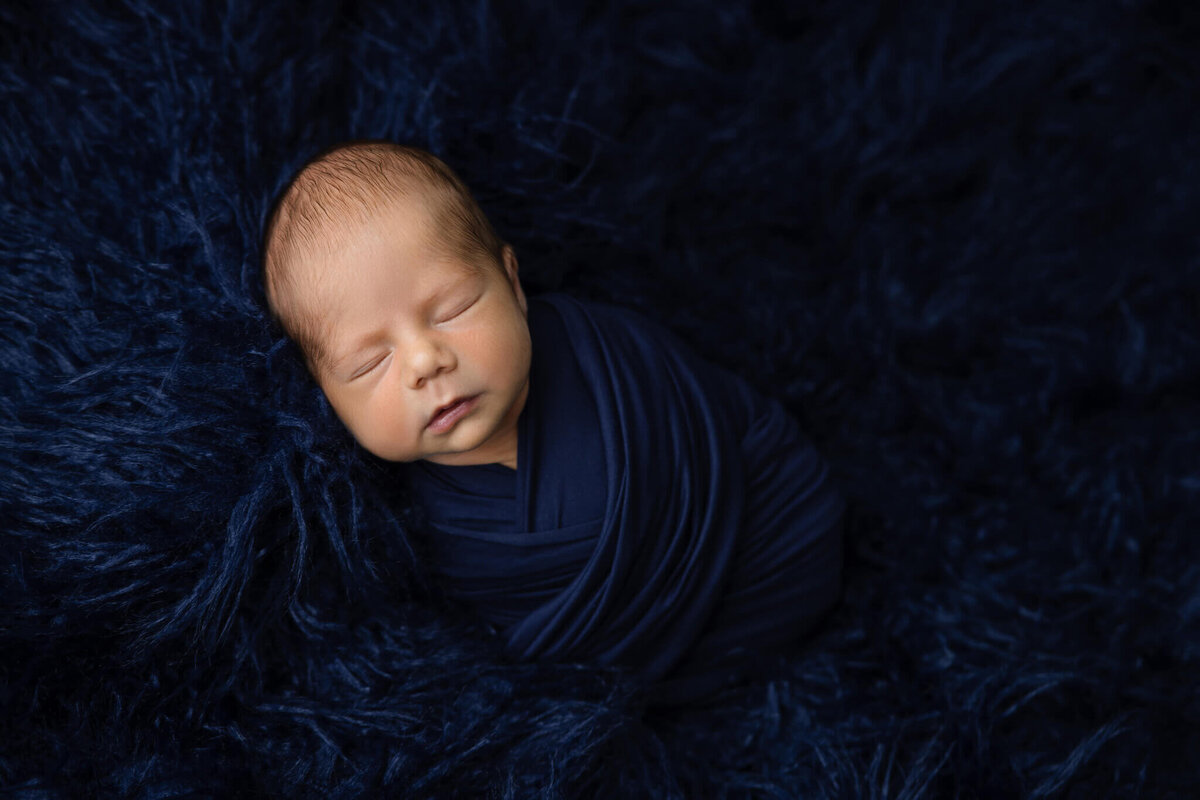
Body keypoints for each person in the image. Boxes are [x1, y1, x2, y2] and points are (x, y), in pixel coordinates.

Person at [262, 140, 846, 706]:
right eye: (370, 364)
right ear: (326, 398)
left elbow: (721, 425)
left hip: (778, 540)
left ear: (513, 284)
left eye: (454, 309)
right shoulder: (399, 532)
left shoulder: (611, 360)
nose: (424, 362)